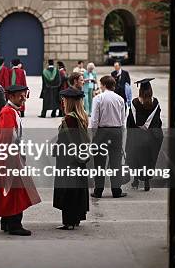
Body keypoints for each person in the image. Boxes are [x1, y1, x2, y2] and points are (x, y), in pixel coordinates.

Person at [0, 84, 41, 235]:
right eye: (20, 95)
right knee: (15, 192)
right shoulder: (8, 113)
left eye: (25, 95)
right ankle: (14, 225)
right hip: (10, 159)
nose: (24, 98)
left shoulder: (11, 111)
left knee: (8, 192)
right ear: (10, 96)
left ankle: (6, 222)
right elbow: (6, 139)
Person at [53, 87, 90, 230]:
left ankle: (68, 221)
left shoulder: (69, 119)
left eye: (64, 100)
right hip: (78, 160)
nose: (62, 102)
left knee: (67, 190)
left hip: (68, 160)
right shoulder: (81, 116)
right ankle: (75, 219)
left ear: (70, 102)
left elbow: (68, 141)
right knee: (77, 189)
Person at [90, 75, 127, 198]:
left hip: (102, 132)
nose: (100, 86)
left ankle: (98, 190)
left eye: (101, 84)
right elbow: (122, 121)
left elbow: (94, 119)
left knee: (99, 162)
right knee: (115, 162)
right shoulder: (120, 99)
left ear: (104, 85)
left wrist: (93, 134)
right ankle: (116, 190)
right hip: (116, 131)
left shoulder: (98, 98)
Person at [126, 78, 163, 191]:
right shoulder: (155, 102)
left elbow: (130, 122)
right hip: (150, 136)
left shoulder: (134, 103)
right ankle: (147, 182)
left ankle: (136, 180)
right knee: (148, 158)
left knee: (136, 157)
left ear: (140, 90)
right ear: (150, 90)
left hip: (137, 136)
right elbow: (158, 121)